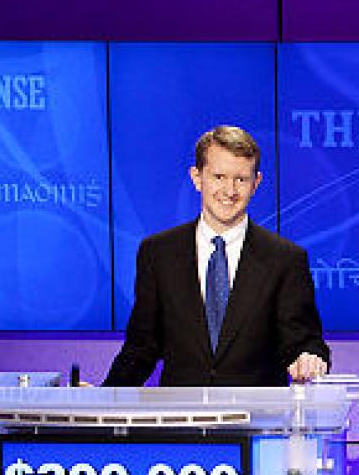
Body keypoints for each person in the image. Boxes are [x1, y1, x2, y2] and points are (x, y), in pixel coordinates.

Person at [104, 126, 329, 386]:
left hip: (257, 410)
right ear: (197, 177)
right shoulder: (158, 253)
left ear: (256, 183)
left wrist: (309, 358)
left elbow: (304, 342)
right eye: (219, 176)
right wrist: (103, 398)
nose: (229, 190)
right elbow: (141, 348)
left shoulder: (285, 259)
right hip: (181, 410)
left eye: (241, 179)